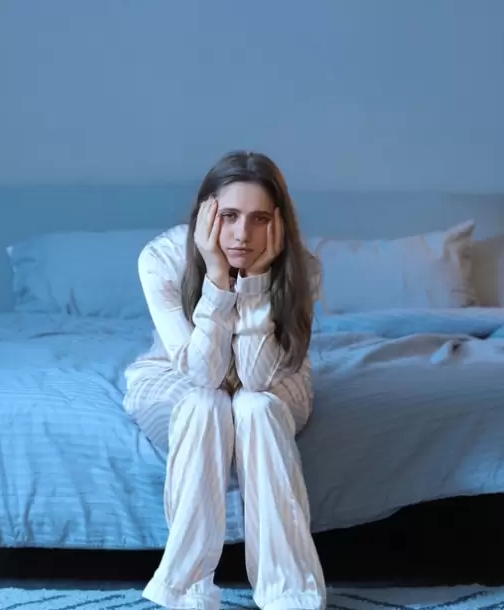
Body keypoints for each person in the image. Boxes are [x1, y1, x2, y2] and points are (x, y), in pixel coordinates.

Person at [123, 150, 326, 610]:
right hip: (175, 372)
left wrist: (255, 281)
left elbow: (256, 378)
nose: (241, 234)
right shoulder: (161, 258)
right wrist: (217, 278)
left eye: (259, 219)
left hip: (278, 376)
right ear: (204, 215)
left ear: (278, 223)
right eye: (229, 215)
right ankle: (187, 591)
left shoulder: (303, 268)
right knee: (205, 405)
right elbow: (204, 375)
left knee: (257, 407)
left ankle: (289, 593)